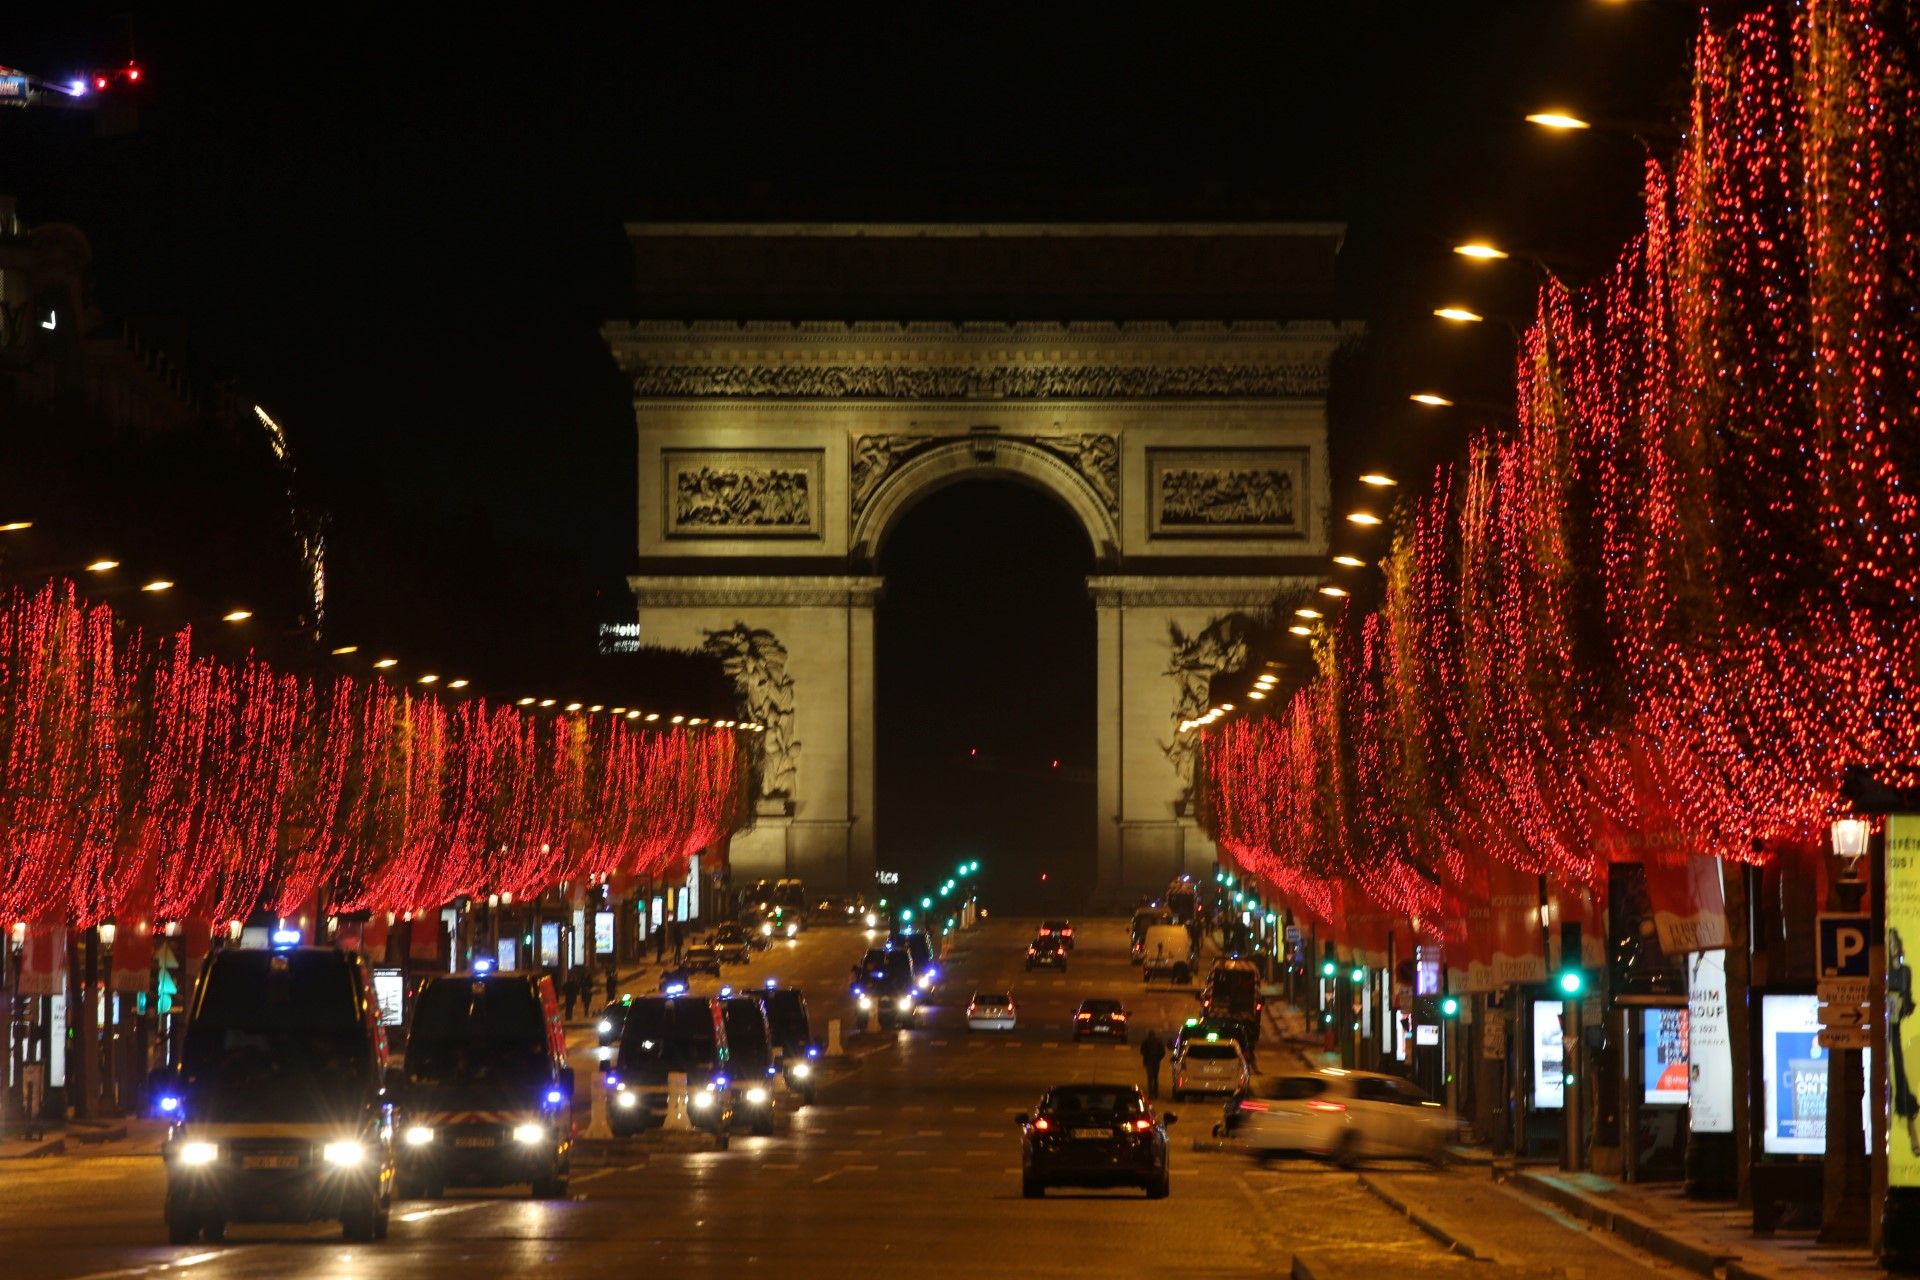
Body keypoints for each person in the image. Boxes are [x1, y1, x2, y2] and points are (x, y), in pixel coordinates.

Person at [1140, 1028, 1166, 1101]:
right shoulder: (1159, 1041)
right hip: (1156, 1062)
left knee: (1150, 1078)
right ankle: (1156, 1093)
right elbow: (1163, 1052)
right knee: (1155, 1077)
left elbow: (1142, 1051)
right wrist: (1158, 1058)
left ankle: (1151, 1093)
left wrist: (1147, 1055)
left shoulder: (1145, 1041)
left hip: (1149, 1062)